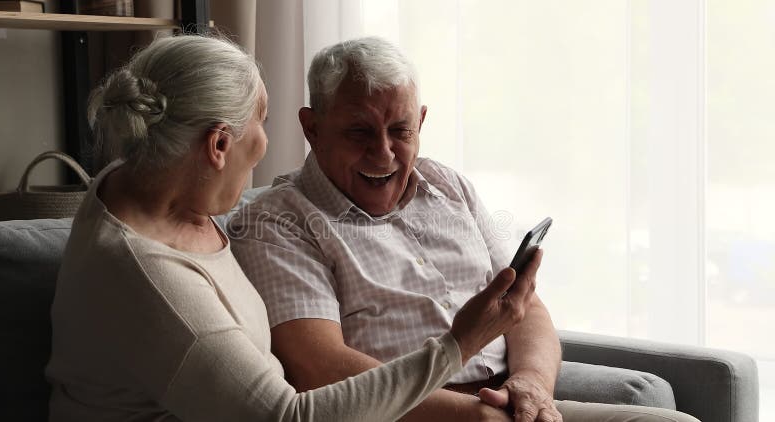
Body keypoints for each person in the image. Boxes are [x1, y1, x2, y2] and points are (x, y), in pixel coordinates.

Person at [44, 35, 539, 422]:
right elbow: (286, 415)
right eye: (261, 121)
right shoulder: (150, 278)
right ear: (218, 145)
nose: (265, 144)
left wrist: (530, 380)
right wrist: (459, 344)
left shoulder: (133, 178)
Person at [229, 37, 701, 422]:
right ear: (312, 128)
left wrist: (531, 385)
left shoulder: (448, 185)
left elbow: (524, 308)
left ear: (422, 122)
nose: (384, 153)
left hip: (505, 405)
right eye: (359, 132)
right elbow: (323, 370)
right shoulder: (278, 221)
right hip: (405, 415)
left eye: (401, 130)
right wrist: (469, 415)